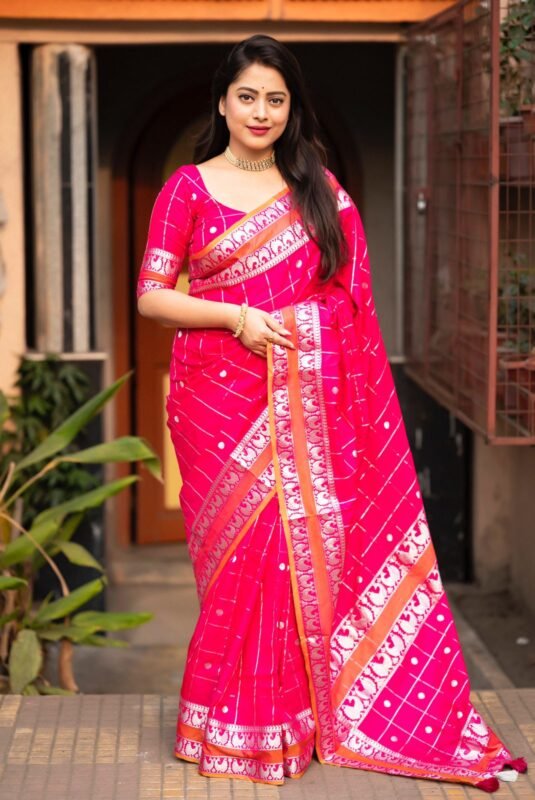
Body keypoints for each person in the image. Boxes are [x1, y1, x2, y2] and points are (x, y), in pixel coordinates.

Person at [136, 34, 526, 792]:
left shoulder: (319, 190)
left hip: (311, 405)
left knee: (288, 560)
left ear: (291, 109)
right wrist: (239, 320)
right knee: (240, 562)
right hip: (220, 401)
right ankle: (226, 723)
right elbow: (153, 295)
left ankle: (284, 725)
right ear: (222, 101)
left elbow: (350, 305)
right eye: (247, 96)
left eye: (275, 99)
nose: (260, 111)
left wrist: (296, 332)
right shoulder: (187, 186)